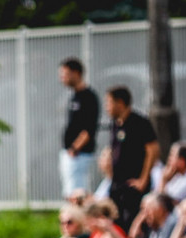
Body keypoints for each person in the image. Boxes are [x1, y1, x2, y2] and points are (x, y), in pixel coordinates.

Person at [105, 85, 159, 229]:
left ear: (120, 103)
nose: (107, 107)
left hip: (133, 184)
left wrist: (143, 179)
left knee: (132, 222)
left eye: (109, 103)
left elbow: (153, 150)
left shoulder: (139, 122)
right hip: (117, 184)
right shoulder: (115, 124)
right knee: (116, 222)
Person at [59, 57, 100, 201]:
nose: (62, 78)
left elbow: (89, 128)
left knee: (77, 194)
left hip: (79, 154)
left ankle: (78, 221)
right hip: (71, 152)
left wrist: (75, 148)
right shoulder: (73, 96)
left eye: (65, 74)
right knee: (69, 192)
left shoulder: (89, 97)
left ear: (76, 73)